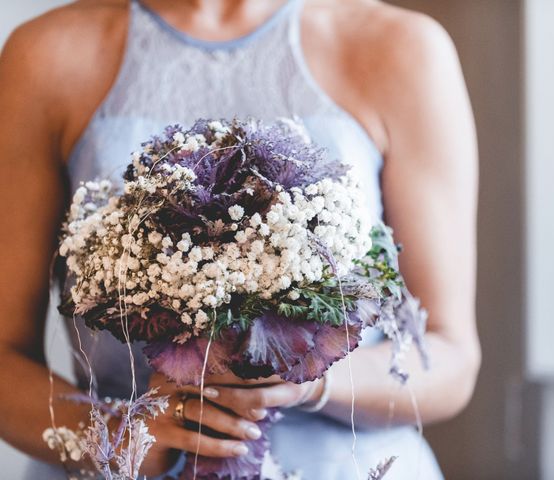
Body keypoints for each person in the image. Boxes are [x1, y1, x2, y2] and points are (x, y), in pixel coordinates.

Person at [0, 0, 480, 478]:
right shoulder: (46, 54)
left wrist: (308, 380)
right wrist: (115, 435)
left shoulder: (401, 48)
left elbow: (451, 356)